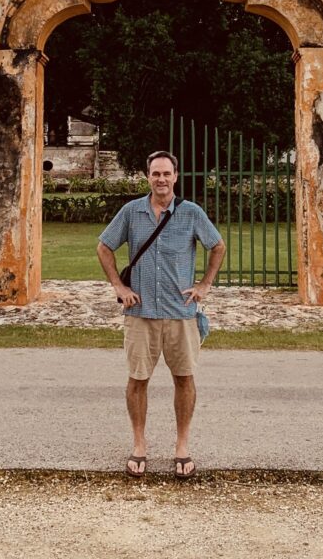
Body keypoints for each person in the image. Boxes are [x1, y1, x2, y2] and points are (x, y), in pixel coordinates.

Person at [96, 149, 226, 479]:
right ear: (147, 177)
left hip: (181, 312)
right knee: (137, 380)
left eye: (167, 174)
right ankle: (139, 445)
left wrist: (205, 285)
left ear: (176, 177)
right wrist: (119, 288)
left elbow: (218, 246)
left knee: (184, 379)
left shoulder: (191, 213)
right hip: (140, 312)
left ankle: (182, 446)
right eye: (156, 174)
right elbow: (104, 246)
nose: (161, 179)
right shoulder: (131, 212)